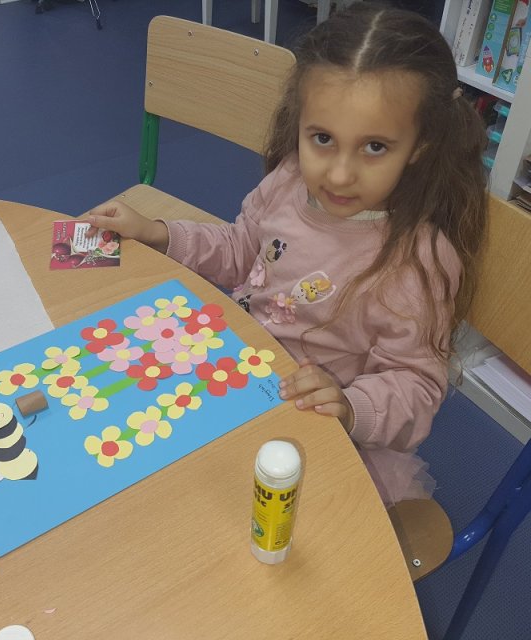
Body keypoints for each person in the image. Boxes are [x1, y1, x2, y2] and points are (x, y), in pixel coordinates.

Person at [84, 2, 488, 507]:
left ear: (421, 144)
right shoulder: (290, 180)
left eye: (375, 147)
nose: (339, 174)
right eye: (323, 138)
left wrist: (349, 406)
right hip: (237, 370)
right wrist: (158, 233)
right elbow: (240, 251)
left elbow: (416, 387)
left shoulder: (417, 262)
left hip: (314, 425)